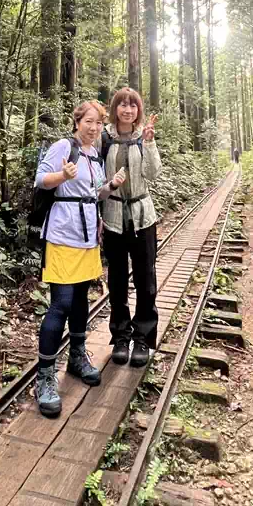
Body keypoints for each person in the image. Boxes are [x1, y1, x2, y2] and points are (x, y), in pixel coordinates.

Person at [33, 100, 126, 418]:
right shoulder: (64, 146)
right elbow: (40, 180)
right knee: (60, 303)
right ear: (78, 122)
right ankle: (45, 378)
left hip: (88, 239)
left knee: (81, 301)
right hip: (61, 236)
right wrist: (61, 174)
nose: (94, 127)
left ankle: (76, 357)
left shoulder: (94, 156)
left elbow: (95, 192)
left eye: (99, 123)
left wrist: (110, 185)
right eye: (89, 121)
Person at [100, 87, 162, 368]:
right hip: (113, 216)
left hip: (142, 216)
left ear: (138, 110)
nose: (128, 110)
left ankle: (143, 337)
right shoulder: (104, 138)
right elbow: (95, 178)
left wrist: (149, 144)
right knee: (117, 280)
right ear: (115, 109)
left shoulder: (142, 138)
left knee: (146, 279)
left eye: (133, 105)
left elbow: (153, 174)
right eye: (122, 105)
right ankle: (121, 335)